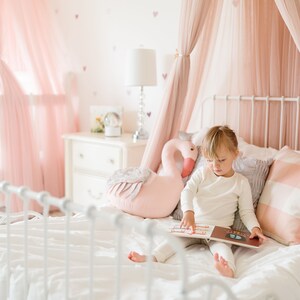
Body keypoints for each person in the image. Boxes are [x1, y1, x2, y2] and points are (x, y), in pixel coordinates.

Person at [128, 125, 266, 278]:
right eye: (210, 160)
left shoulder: (241, 182)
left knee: (224, 249)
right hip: (194, 227)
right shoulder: (203, 173)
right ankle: (152, 257)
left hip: (219, 232)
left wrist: (255, 228)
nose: (215, 165)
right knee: (172, 241)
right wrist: (188, 212)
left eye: (221, 160)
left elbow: (246, 211)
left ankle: (229, 269)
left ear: (235, 154)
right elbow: (187, 191)